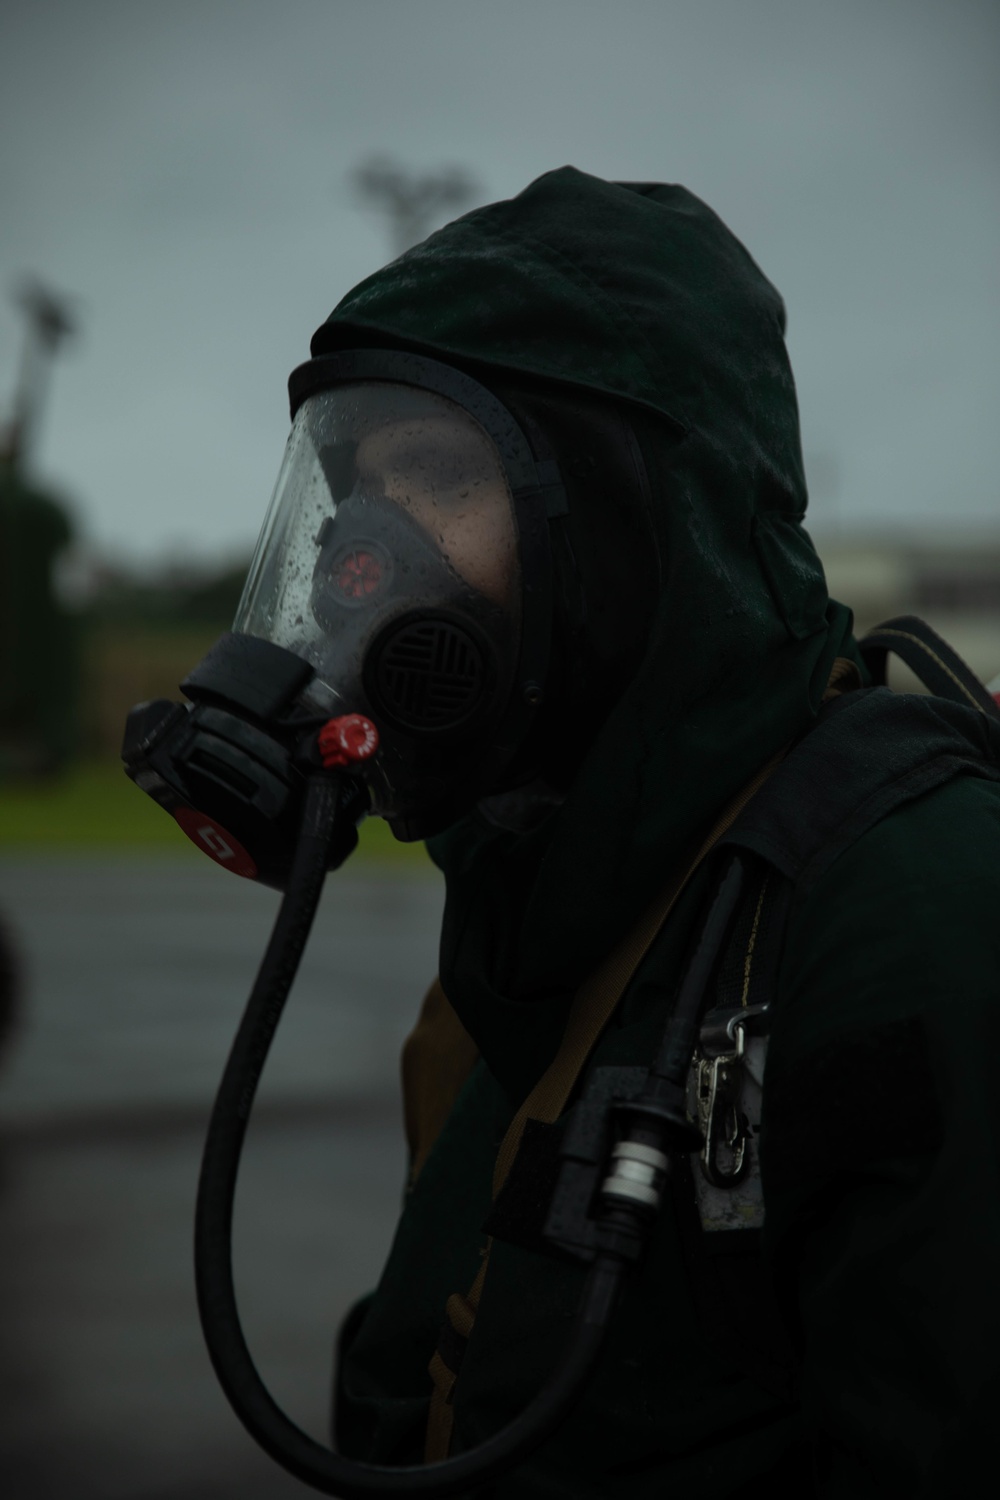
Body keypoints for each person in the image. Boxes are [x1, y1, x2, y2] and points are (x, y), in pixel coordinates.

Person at [201, 167, 1000, 1497]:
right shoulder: (544, 878)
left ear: (628, 513)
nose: (366, 553)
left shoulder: (916, 905)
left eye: (441, 474)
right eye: (364, 485)